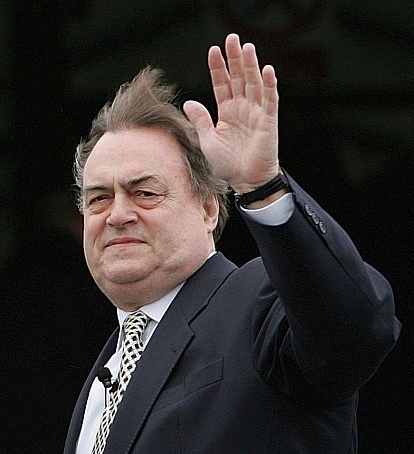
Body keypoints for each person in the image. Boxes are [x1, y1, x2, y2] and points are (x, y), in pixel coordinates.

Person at [64, 33, 400, 453]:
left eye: (145, 193)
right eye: (99, 198)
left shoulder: (259, 302)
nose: (117, 214)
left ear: (208, 210)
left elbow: (358, 331)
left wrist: (262, 187)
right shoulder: (102, 379)